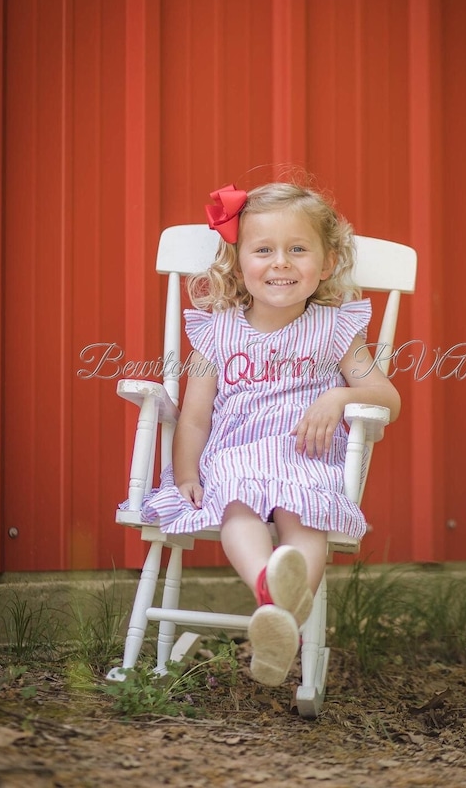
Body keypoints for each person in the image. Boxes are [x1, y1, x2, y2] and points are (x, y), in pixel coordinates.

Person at [140, 181, 401, 686]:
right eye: (263, 250)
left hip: (306, 456)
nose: (281, 262)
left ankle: (276, 616)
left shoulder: (335, 330)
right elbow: (195, 417)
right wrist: (187, 473)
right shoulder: (218, 331)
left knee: (304, 519)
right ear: (239, 264)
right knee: (237, 505)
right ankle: (272, 593)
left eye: (297, 249)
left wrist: (339, 397)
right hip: (235, 456)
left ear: (325, 265)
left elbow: (387, 398)